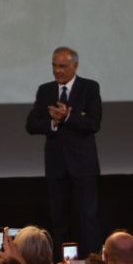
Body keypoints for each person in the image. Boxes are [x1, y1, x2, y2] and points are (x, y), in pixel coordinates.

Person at [26, 47, 103, 252]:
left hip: (83, 167)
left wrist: (68, 117)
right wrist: (52, 122)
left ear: (75, 66)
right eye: (54, 66)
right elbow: (31, 124)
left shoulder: (90, 88)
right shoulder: (46, 90)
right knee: (59, 221)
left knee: (88, 219)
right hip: (56, 167)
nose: (57, 71)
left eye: (62, 66)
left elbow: (94, 123)